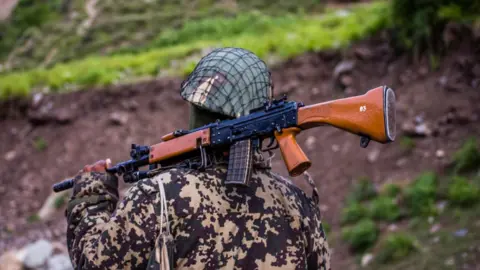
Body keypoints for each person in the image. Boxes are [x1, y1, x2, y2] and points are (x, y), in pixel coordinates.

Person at [65, 47, 331, 269]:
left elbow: (95, 264)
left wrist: (92, 198)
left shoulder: (158, 196)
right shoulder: (298, 202)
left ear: (196, 110)